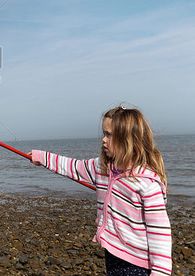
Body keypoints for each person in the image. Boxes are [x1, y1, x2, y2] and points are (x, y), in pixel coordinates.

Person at [29, 106, 172, 276]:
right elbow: (73, 167)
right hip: (112, 253)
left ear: (129, 139)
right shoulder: (102, 168)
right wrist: (43, 157)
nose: (104, 140)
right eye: (104, 134)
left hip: (136, 263)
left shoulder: (146, 184)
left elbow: (159, 232)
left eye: (109, 135)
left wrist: (160, 272)